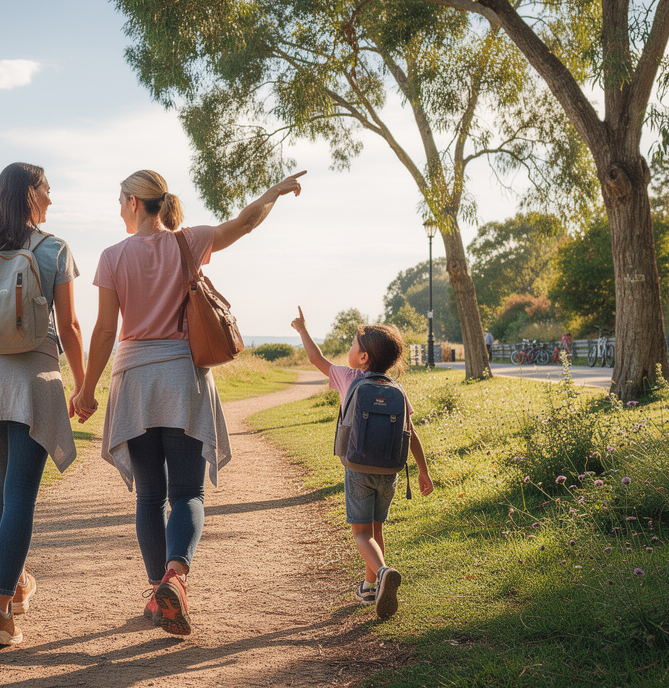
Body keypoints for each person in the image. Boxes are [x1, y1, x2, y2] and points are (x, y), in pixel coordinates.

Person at [72, 169, 306, 637]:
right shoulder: (190, 241)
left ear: (135, 203)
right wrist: (274, 192)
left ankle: (159, 592)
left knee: (150, 496)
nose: (118, 209)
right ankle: (175, 580)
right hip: (184, 378)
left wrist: (87, 389)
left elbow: (103, 330)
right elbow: (244, 223)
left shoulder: (112, 256)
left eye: (120, 200)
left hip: (135, 382)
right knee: (187, 494)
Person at [0, 162, 85, 646]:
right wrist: (83, 385)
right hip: (32, 375)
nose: (51, 197)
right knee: (22, 490)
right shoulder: (54, 249)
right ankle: (0, 609)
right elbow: (70, 328)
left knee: (7, 484)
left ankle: (17, 583)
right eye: (46, 188)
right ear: (30, 193)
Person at [290, 314, 433, 619]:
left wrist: (302, 329)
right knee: (376, 528)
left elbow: (316, 358)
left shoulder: (348, 378)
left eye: (353, 345)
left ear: (364, 357)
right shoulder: (397, 389)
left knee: (360, 532)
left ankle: (382, 572)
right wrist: (423, 470)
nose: (350, 348)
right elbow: (411, 432)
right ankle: (370, 587)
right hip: (390, 471)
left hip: (358, 469)